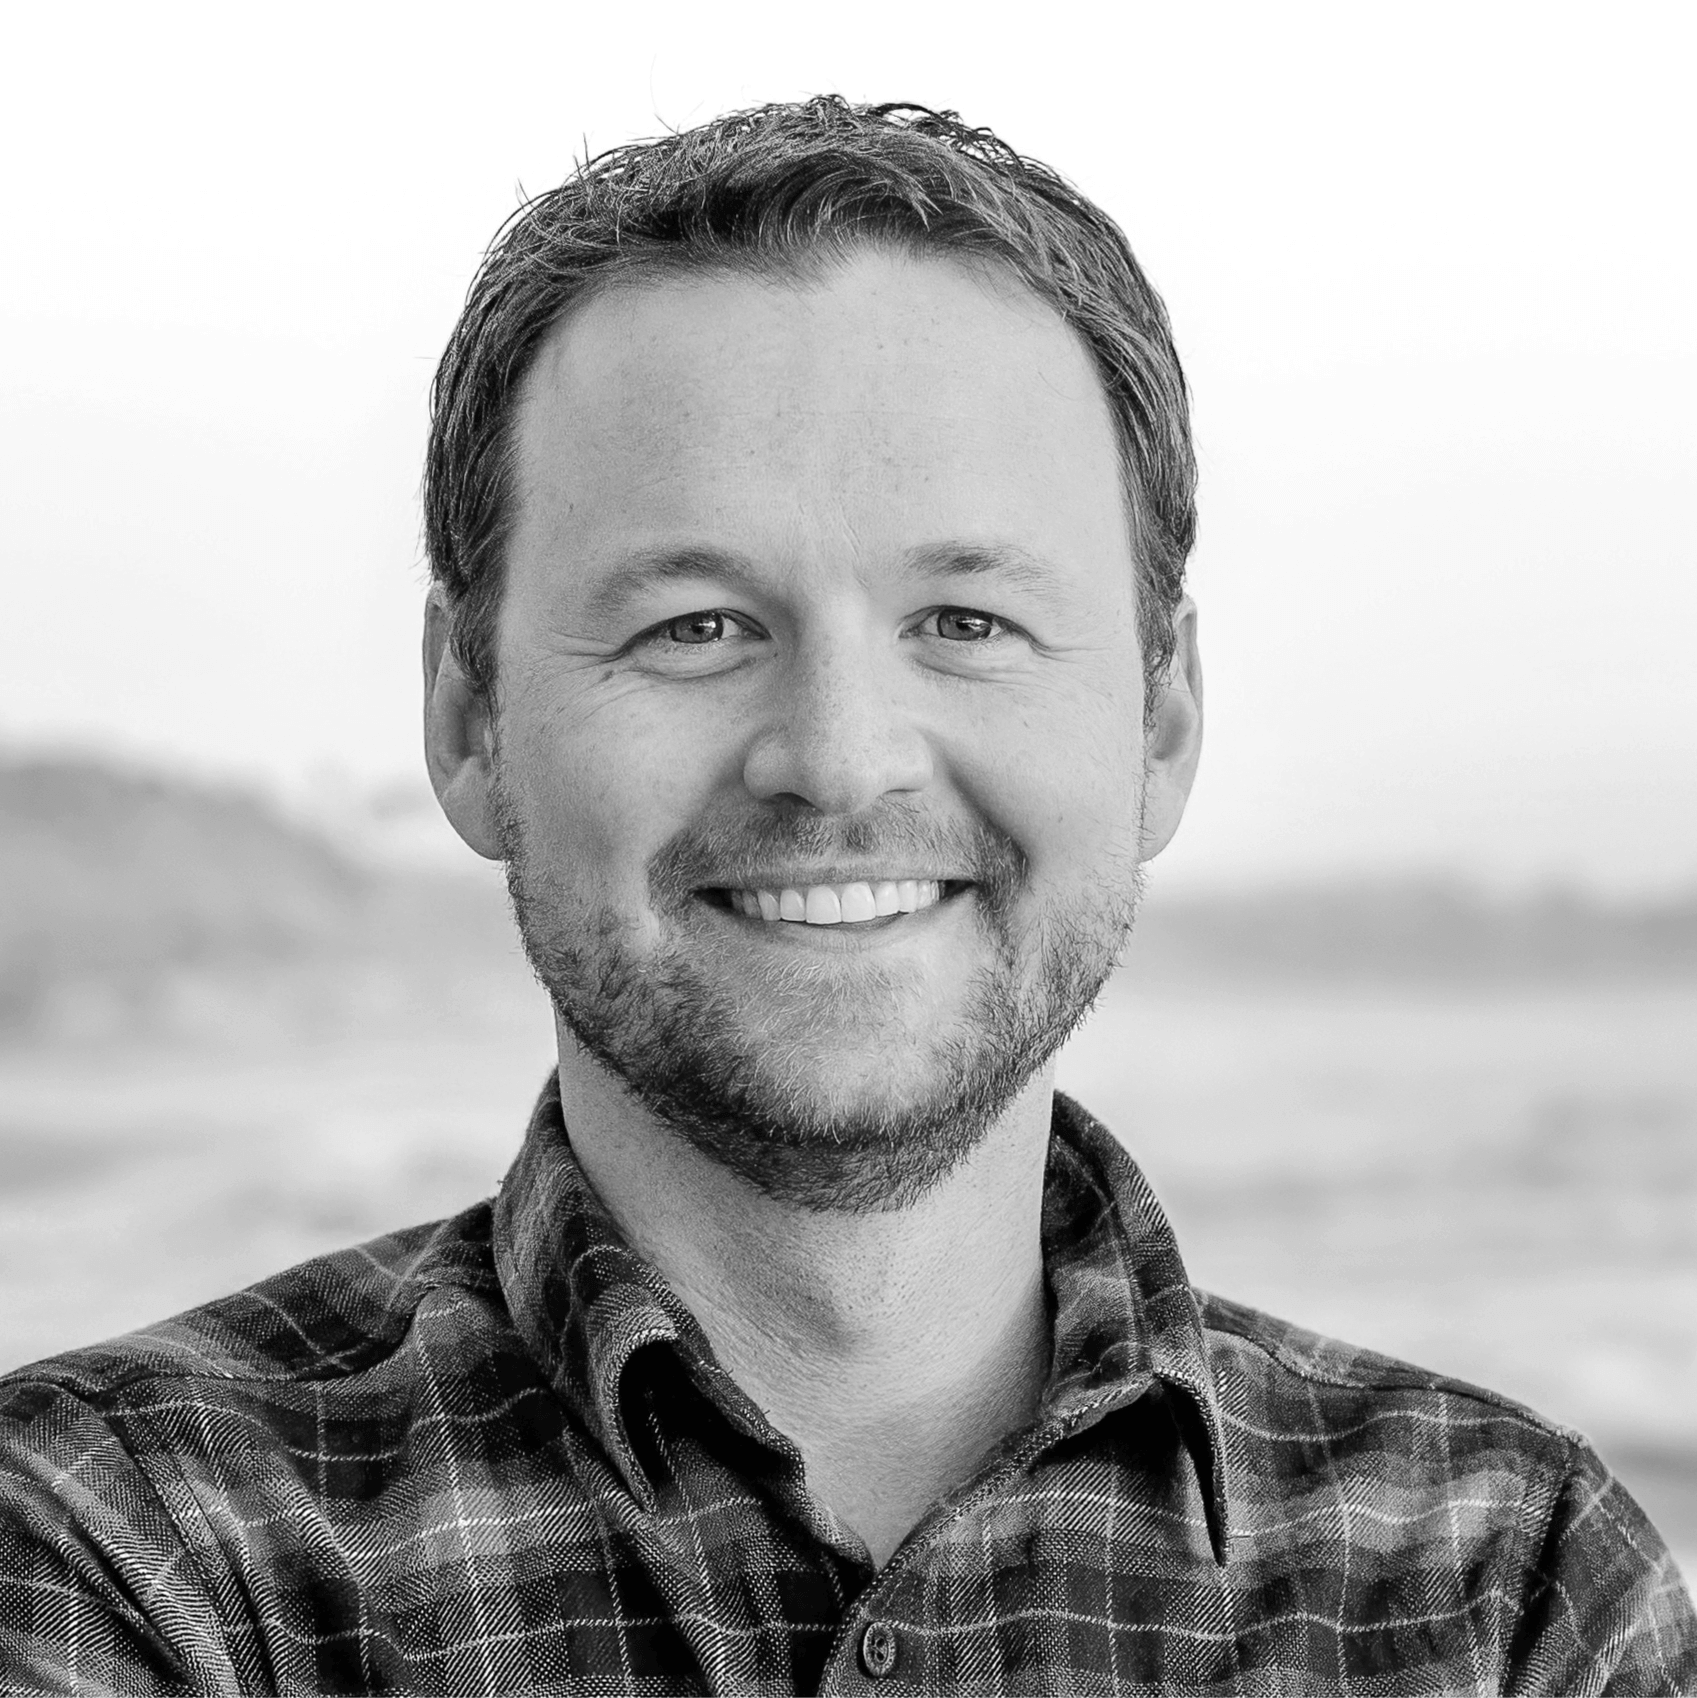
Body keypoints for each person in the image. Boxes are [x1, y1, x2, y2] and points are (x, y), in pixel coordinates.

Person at [1, 97, 1691, 1697]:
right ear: (467, 718)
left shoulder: (1507, 1590)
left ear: (1163, 720)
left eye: (965, 622)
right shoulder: (125, 1543)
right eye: (695, 625)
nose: (836, 757)